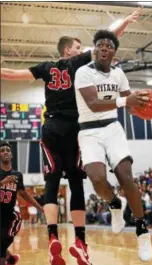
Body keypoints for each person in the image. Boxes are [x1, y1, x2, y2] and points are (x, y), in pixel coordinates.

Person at [1, 8, 143, 265]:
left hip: (51, 128)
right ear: (68, 50)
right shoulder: (79, 65)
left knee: (52, 182)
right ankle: (80, 241)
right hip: (75, 129)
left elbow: (10, 74)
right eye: (78, 46)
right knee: (76, 183)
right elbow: (108, 38)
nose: (82, 50)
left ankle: (53, 236)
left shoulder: (45, 68)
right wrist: (127, 22)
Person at [74, 29, 152, 262]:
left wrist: (143, 106)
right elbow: (93, 103)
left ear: (114, 52)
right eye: (100, 45)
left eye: (109, 46)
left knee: (125, 175)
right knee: (97, 179)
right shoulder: (83, 72)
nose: (104, 48)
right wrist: (124, 101)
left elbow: (130, 104)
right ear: (94, 50)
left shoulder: (119, 74)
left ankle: (142, 230)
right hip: (89, 130)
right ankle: (115, 203)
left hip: (112, 128)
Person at [0, 142, 43, 265]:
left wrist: (40, 208)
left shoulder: (17, 175)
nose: (5, 152)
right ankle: (10, 259)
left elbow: (24, 194)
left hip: (9, 216)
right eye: (2, 150)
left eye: (7, 150)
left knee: (2, 243)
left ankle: (9, 259)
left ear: (11, 155)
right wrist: (2, 182)